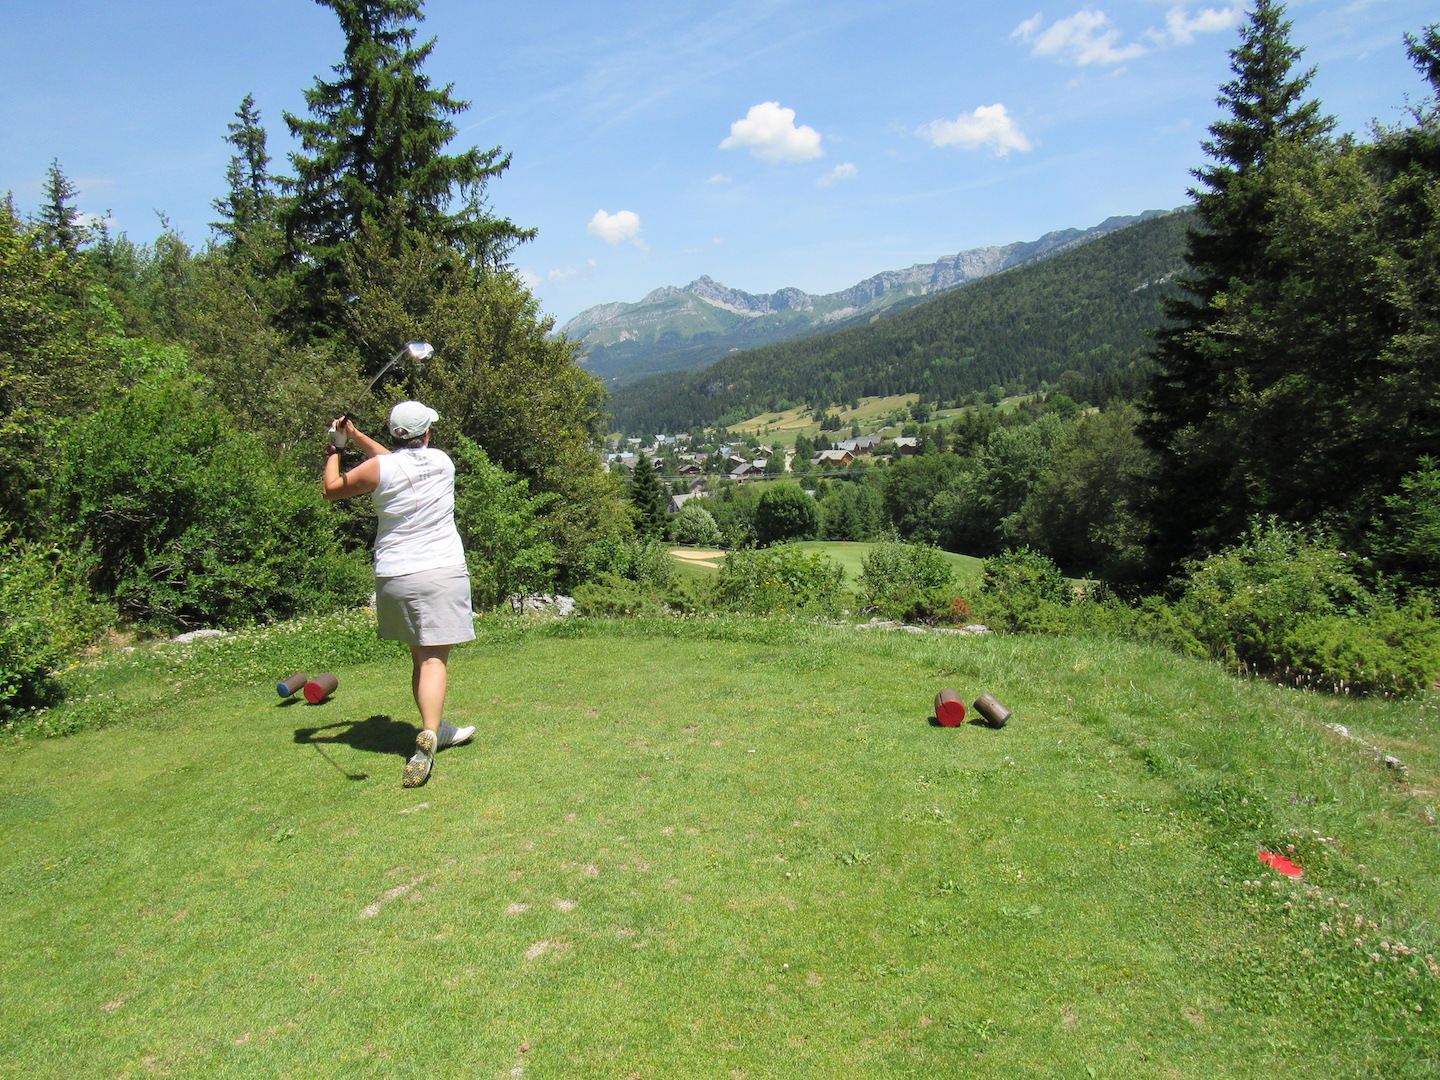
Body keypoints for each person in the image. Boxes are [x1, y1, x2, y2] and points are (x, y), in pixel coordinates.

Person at [324, 401, 475, 788]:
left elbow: (332, 489)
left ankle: (436, 727)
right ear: (426, 433)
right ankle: (429, 731)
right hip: (442, 570)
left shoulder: (381, 468)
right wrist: (350, 440)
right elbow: (399, 463)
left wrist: (337, 448)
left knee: (417, 654)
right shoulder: (442, 461)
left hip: (396, 575)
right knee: (434, 659)